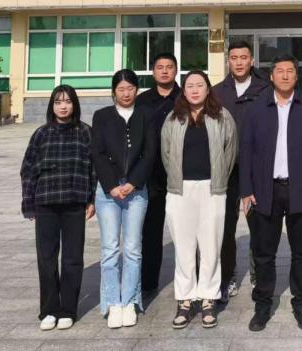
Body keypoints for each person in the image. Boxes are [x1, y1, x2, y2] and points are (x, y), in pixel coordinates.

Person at [240, 54, 302, 332]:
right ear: (271, 76)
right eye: (280, 71)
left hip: (301, 190)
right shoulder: (257, 108)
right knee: (264, 252)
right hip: (266, 190)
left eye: (290, 71)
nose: (285, 75)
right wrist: (246, 190)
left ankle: (301, 302)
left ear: (297, 75)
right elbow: (246, 151)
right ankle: (263, 303)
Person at [161, 70, 238, 330]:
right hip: (180, 190)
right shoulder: (173, 118)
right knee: (183, 248)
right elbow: (166, 153)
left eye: (199, 85)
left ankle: (208, 299)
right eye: (190, 86)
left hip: (212, 190)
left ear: (208, 89)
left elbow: (230, 152)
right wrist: (178, 180)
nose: (195, 90)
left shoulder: (222, 116)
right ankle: (185, 300)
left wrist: (219, 180)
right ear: (183, 91)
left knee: (211, 246)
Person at [20, 85, 96, 331]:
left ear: (75, 104)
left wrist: (92, 199)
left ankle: (68, 310)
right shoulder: (41, 134)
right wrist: (29, 204)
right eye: (58, 102)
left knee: (72, 258)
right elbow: (28, 169)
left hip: (74, 203)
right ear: (52, 106)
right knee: (47, 258)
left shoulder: (85, 133)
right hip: (46, 204)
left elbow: (93, 169)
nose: (63, 106)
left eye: (68, 101)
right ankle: (49, 309)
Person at [92, 69, 157, 329]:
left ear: (137, 90)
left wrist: (133, 182)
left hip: (136, 190)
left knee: (132, 248)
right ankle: (112, 302)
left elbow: (150, 153)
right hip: (108, 192)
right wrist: (111, 186)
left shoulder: (146, 115)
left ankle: (129, 301)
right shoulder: (102, 116)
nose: (126, 93)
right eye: (121, 89)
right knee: (109, 249)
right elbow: (98, 154)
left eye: (130, 88)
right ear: (113, 92)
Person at [212, 40, 271, 298]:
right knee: (225, 225)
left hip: (257, 168)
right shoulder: (216, 92)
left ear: (252, 60)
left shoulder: (265, 89)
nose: (239, 62)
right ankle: (227, 276)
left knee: (259, 223)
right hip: (226, 168)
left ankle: (259, 274)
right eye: (234, 57)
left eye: (243, 57)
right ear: (228, 61)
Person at [136, 53, 182, 295]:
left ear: (176, 70)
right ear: (153, 71)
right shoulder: (142, 101)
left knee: (185, 232)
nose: (164, 71)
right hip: (151, 176)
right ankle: (148, 282)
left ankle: (189, 283)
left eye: (169, 67)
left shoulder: (186, 97)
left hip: (181, 175)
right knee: (151, 232)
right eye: (160, 67)